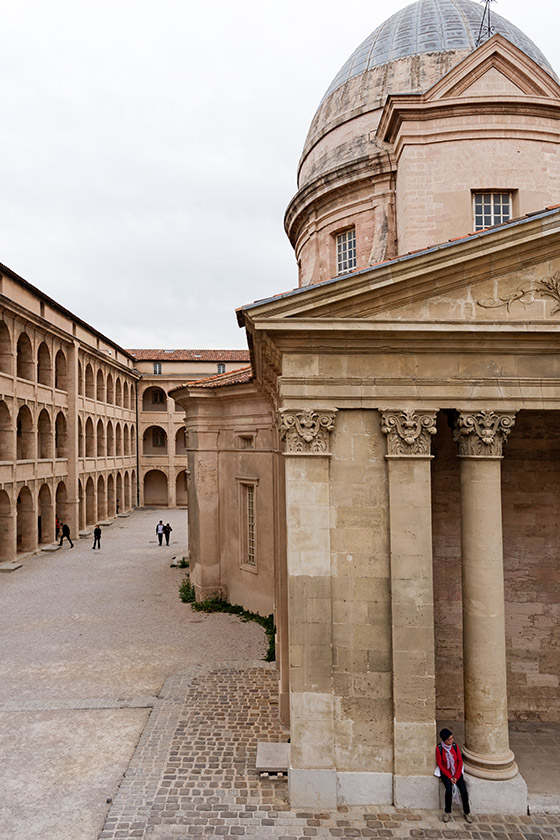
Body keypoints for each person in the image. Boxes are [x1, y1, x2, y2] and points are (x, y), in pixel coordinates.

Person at [436, 728, 472, 823]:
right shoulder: (439, 749)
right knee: (448, 790)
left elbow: (460, 761)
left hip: (456, 772)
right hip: (446, 773)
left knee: (463, 790)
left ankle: (467, 812)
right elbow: (440, 765)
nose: (452, 740)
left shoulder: (455, 747)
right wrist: (450, 777)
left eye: (452, 738)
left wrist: (456, 776)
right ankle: (447, 812)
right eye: (449, 739)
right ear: (445, 740)